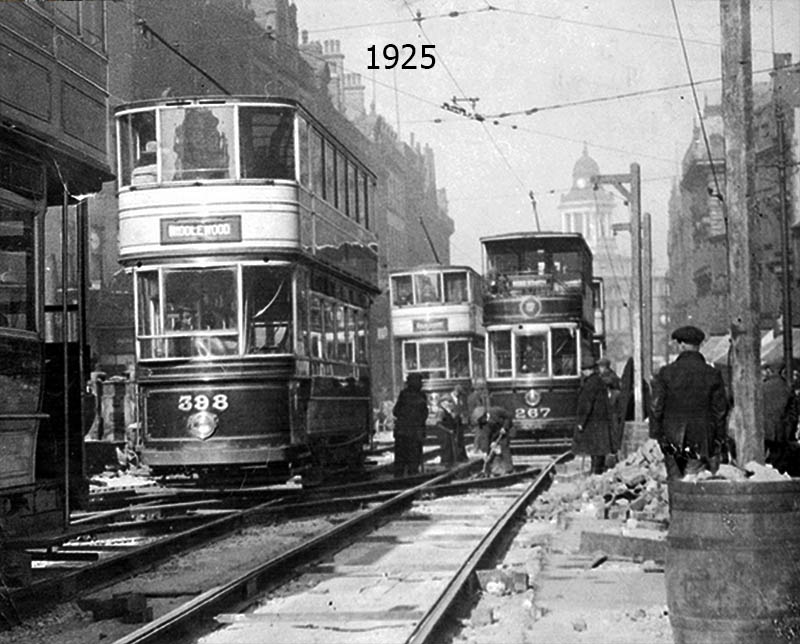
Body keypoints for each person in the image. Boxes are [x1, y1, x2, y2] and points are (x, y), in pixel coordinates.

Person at [649, 325, 729, 480]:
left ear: (682, 345)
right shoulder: (712, 374)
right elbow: (720, 410)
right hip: (702, 437)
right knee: (694, 481)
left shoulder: (666, 373)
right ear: (699, 346)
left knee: (675, 480)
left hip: (671, 437)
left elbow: (655, 407)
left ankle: (675, 503)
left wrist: (656, 435)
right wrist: (719, 438)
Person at [573, 357, 615, 474]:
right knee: (599, 448)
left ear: (588, 370)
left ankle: (595, 471)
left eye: (583, 370)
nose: (582, 372)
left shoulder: (590, 384)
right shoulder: (599, 381)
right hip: (601, 420)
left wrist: (581, 422)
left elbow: (586, 405)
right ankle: (597, 470)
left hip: (593, 420)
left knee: (594, 448)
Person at [762, 360, 797, 472]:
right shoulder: (787, 388)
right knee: (779, 460)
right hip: (781, 431)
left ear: (770, 371)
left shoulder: (761, 387)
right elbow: (793, 413)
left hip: (763, 429)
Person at [392, 373, 428, 478]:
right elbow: (424, 414)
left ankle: (398, 480)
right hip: (415, 432)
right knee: (414, 459)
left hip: (402, 432)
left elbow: (396, 411)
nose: (421, 384)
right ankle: (412, 478)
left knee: (400, 459)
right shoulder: (421, 396)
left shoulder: (403, 394)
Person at [597, 357, 623, 459]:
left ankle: (612, 453)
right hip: (612, 410)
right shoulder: (612, 375)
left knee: (612, 433)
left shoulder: (607, 377)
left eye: (600, 366)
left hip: (612, 411)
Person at [479, 405, 514, 476]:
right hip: (493, 435)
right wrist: (485, 452)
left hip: (504, 431)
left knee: (504, 447)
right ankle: (496, 469)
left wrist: (505, 427)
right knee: (493, 451)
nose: (484, 422)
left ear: (485, 415)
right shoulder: (483, 424)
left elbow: (509, 416)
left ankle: (509, 469)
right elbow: (484, 437)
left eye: (483, 419)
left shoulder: (496, 411)